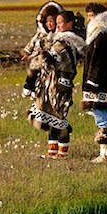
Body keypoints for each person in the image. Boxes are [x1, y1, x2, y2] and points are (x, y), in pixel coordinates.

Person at [28, 10, 86, 159]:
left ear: (70, 24)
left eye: (60, 22)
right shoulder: (59, 40)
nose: (57, 25)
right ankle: (52, 151)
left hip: (60, 85)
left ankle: (62, 152)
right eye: (57, 22)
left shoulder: (67, 43)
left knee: (59, 117)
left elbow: (51, 60)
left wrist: (38, 59)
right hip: (52, 83)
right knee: (51, 116)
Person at [81, 2, 107, 163]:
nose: (89, 19)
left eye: (91, 16)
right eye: (88, 16)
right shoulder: (104, 33)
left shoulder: (102, 35)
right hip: (106, 83)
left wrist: (92, 82)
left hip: (101, 84)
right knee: (103, 114)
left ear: (99, 17)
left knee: (103, 118)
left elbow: (98, 62)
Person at [21, 1, 64, 98]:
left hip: (51, 67)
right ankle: (30, 86)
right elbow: (30, 46)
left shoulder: (59, 36)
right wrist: (26, 54)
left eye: (51, 21)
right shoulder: (40, 34)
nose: (49, 24)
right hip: (35, 62)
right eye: (47, 22)